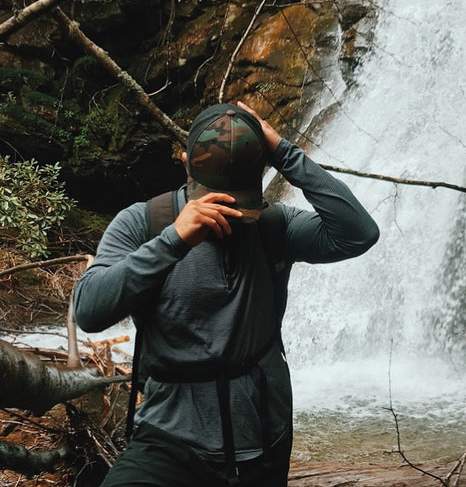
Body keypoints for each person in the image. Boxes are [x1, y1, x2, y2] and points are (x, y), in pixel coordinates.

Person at [73, 101, 380, 487]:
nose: (230, 211)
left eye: (239, 200)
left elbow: (358, 233)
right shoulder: (144, 223)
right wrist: (173, 240)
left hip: (261, 441)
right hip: (166, 441)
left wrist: (284, 152)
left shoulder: (274, 226)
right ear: (184, 161)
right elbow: (88, 310)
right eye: (218, 195)